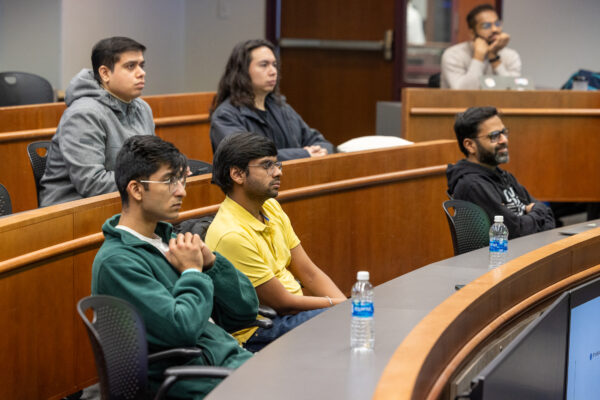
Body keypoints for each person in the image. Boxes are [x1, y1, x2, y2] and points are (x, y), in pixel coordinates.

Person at [92, 135, 257, 399]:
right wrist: (193, 272)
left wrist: (212, 264)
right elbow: (181, 330)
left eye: (181, 180)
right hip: (198, 381)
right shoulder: (117, 262)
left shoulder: (172, 243)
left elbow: (246, 310)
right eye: (170, 181)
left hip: (233, 363)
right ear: (136, 190)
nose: (182, 191)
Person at [205, 132, 346, 352]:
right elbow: (283, 303)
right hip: (261, 330)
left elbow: (308, 272)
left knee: (353, 320)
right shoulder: (230, 234)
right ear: (237, 174)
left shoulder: (270, 207)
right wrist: (339, 307)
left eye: (277, 163)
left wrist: (345, 306)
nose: (278, 171)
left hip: (290, 314)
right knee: (344, 323)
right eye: (267, 165)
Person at [40, 36, 155, 207]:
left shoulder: (143, 108)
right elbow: (93, 183)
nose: (141, 72)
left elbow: (152, 161)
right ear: (105, 73)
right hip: (72, 213)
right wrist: (154, 181)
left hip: (125, 205)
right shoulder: (82, 114)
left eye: (141, 65)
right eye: (131, 66)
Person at [209, 39, 334, 161]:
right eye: (264, 65)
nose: (273, 71)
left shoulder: (281, 107)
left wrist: (323, 151)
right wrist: (304, 154)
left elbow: (319, 141)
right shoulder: (225, 115)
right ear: (242, 71)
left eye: (274, 65)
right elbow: (250, 158)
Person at [447, 106, 555, 239]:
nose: (504, 140)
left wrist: (535, 214)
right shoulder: (473, 185)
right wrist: (537, 213)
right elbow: (513, 232)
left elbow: (548, 217)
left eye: (504, 132)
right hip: (500, 258)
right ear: (470, 145)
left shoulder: (503, 175)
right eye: (494, 136)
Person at [440, 4, 521, 89]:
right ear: (472, 33)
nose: (495, 29)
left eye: (497, 24)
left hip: (498, 102)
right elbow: (464, 94)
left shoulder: (511, 56)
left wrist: (494, 58)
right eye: (486, 26)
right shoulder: (453, 55)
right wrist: (478, 57)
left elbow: (514, 93)